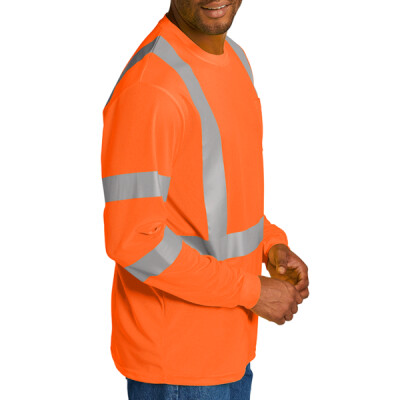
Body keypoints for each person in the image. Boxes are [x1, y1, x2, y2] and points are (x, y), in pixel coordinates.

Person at [101, 1, 310, 398]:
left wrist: (271, 245)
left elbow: (218, 195)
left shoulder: (235, 60)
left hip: (230, 352)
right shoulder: (151, 86)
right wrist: (253, 292)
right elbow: (135, 241)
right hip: (177, 369)